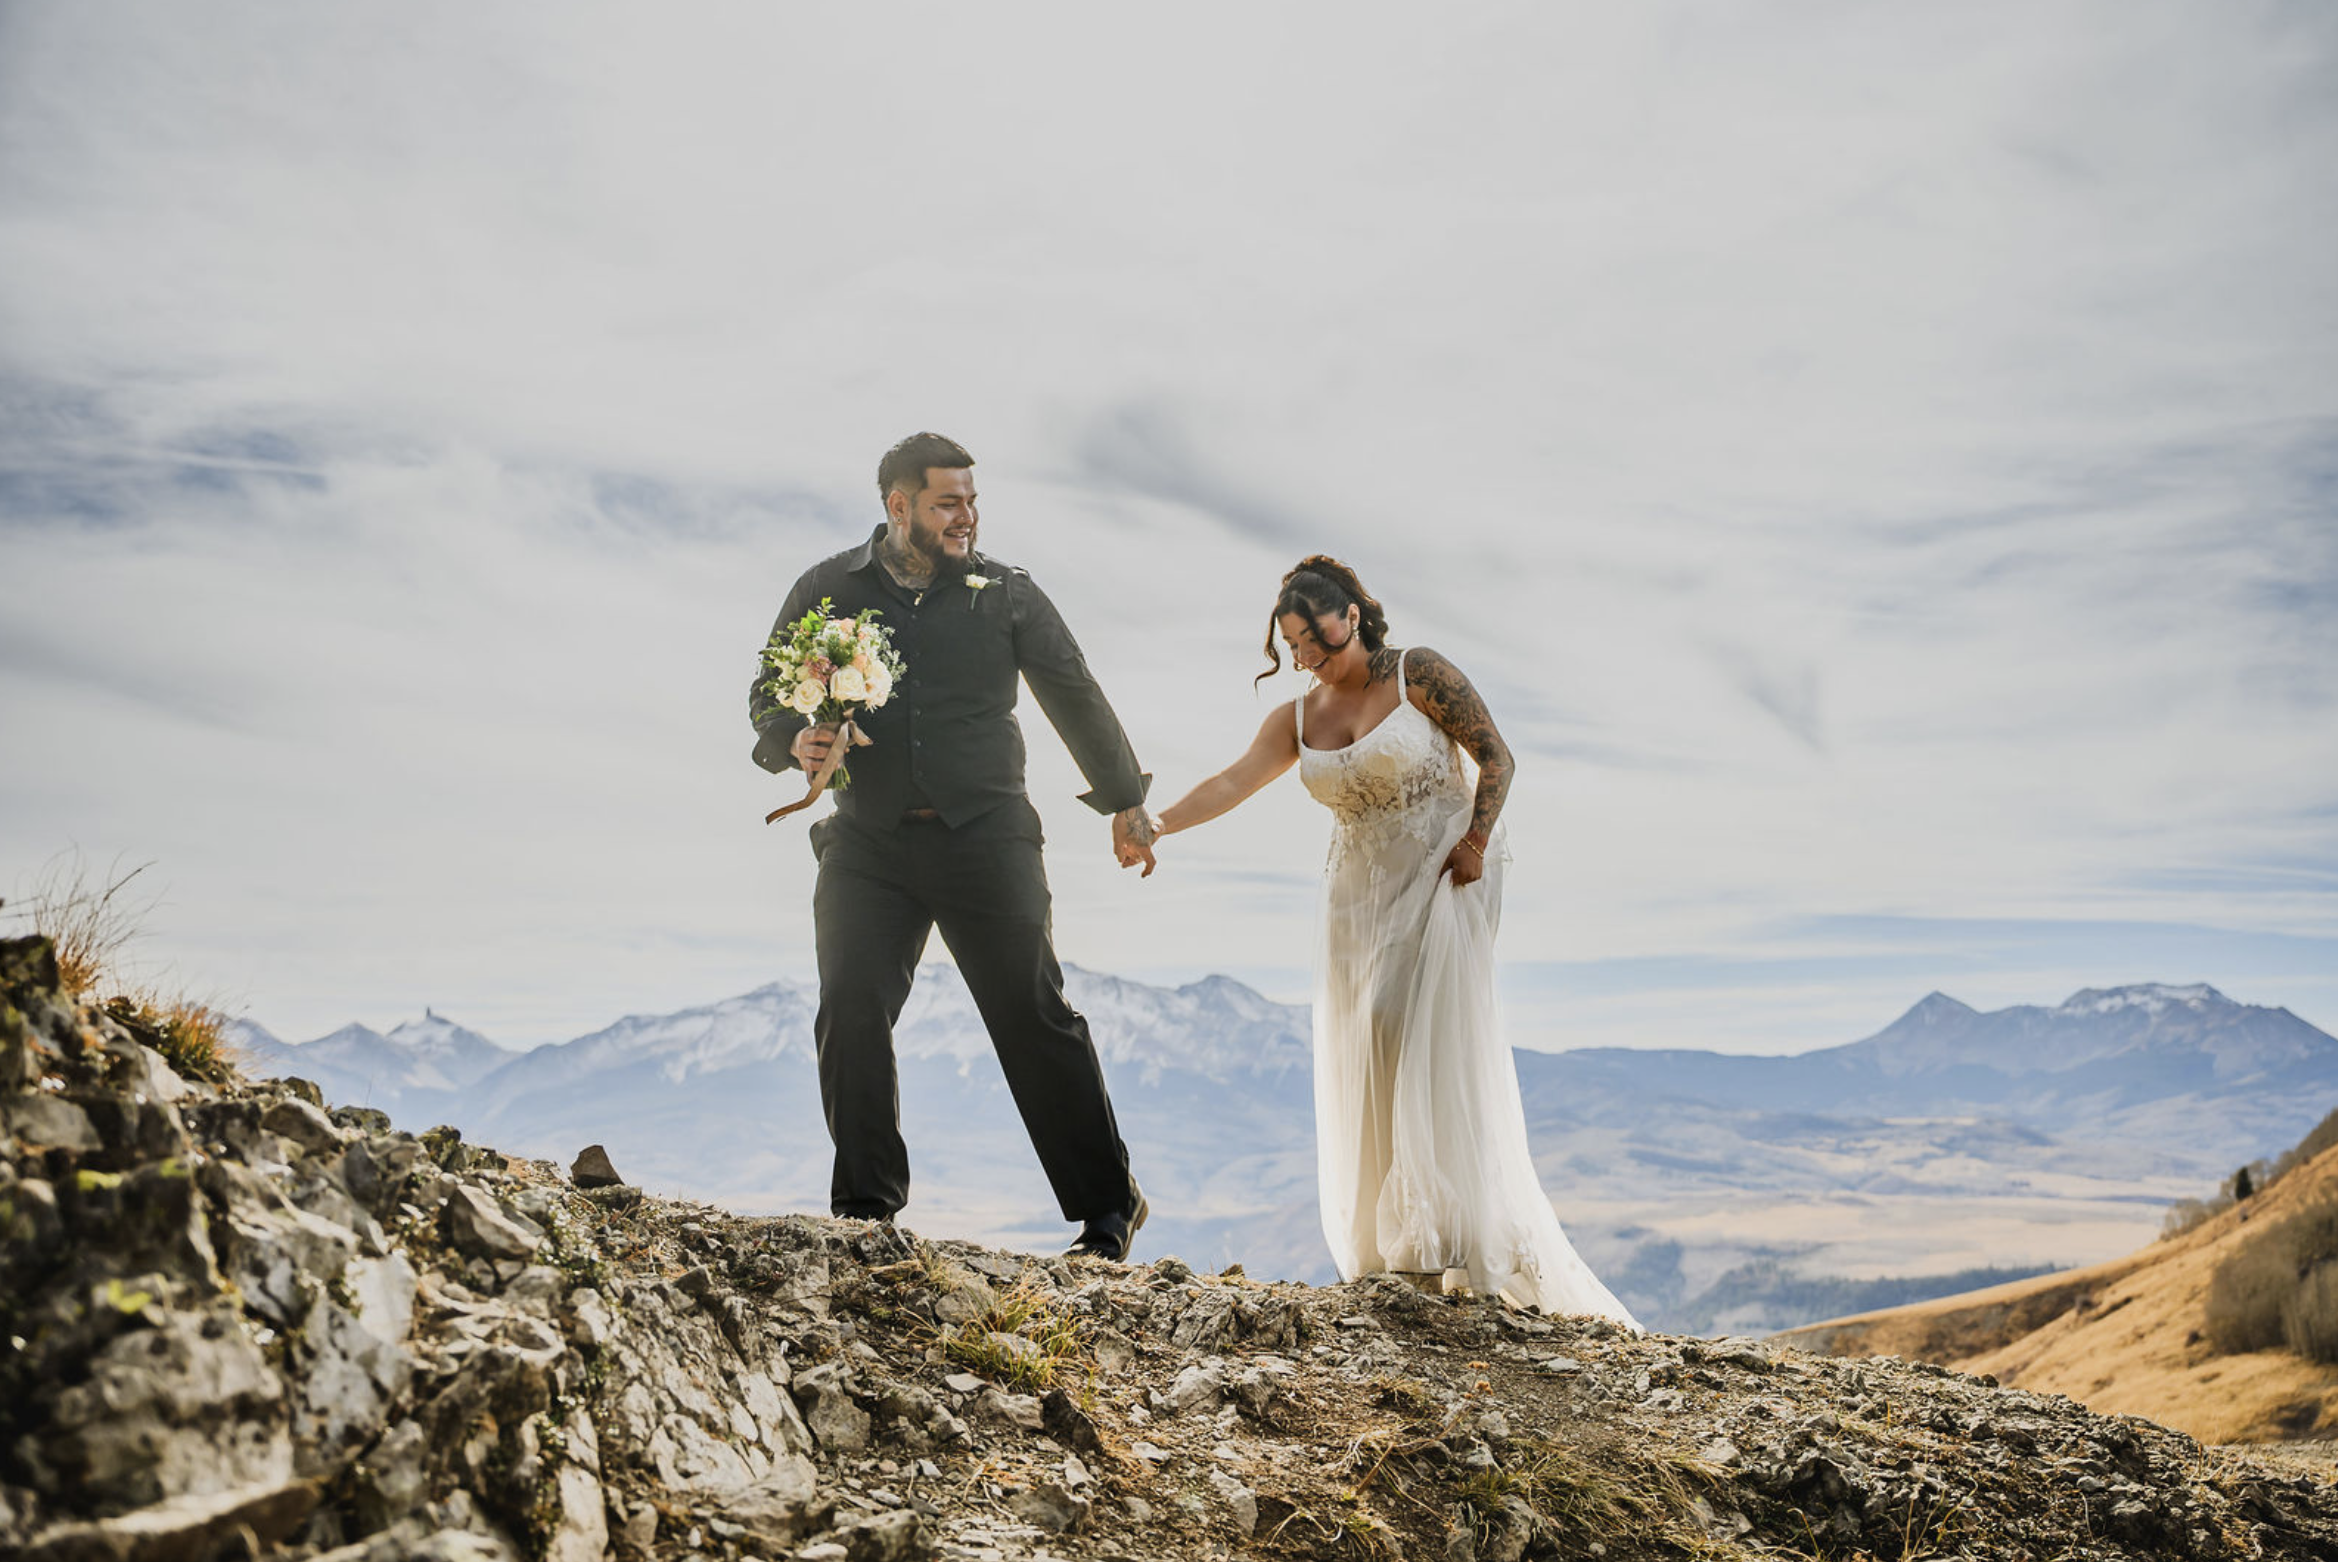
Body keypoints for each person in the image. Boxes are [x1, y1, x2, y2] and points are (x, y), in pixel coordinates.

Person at [1151, 556, 1637, 1322]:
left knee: (1397, 1026)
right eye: (1292, 643)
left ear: (1352, 615)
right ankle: (1395, 1250)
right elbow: (1232, 781)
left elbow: (1497, 758)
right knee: (1365, 1048)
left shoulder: (1419, 673)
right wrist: (1156, 824)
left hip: (1446, 870)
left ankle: (1444, 1237)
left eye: (1315, 637)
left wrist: (1475, 842)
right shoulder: (1298, 717)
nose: (1307, 655)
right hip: (1356, 897)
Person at [748, 431, 1156, 1260]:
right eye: (947, 502)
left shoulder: (1007, 593)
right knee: (851, 1007)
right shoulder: (826, 590)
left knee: (1032, 1014)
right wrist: (796, 740)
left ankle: (1107, 1211)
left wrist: (1124, 802)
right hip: (868, 842)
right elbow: (767, 694)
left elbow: (1073, 691)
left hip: (988, 836)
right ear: (899, 507)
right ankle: (865, 1211)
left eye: (972, 499)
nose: (967, 516)